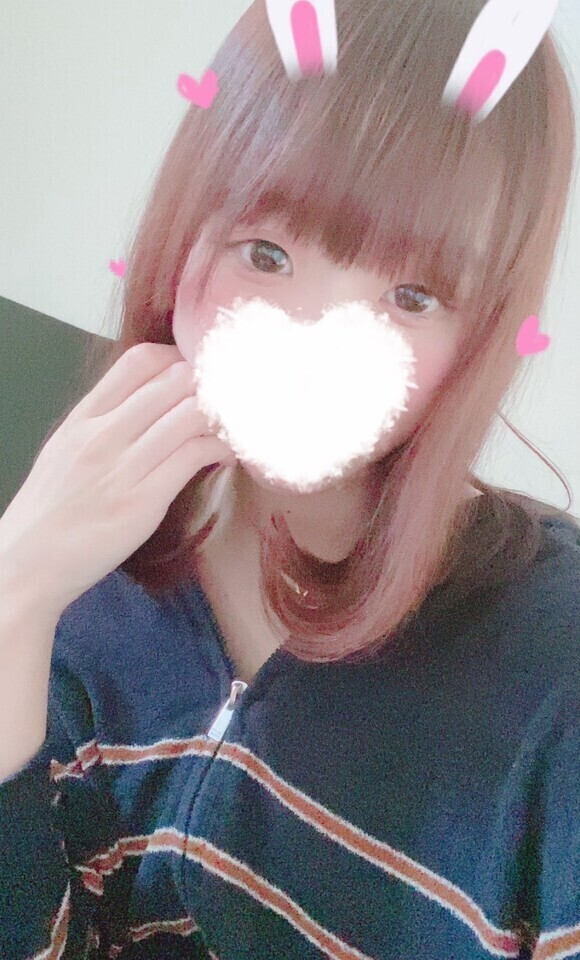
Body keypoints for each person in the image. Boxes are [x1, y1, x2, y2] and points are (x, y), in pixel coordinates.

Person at [0, 1, 579, 957]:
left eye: (413, 296)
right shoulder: (84, 564)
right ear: (184, 233)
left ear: (483, 332)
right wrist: (15, 597)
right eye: (267, 253)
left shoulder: (554, 669)